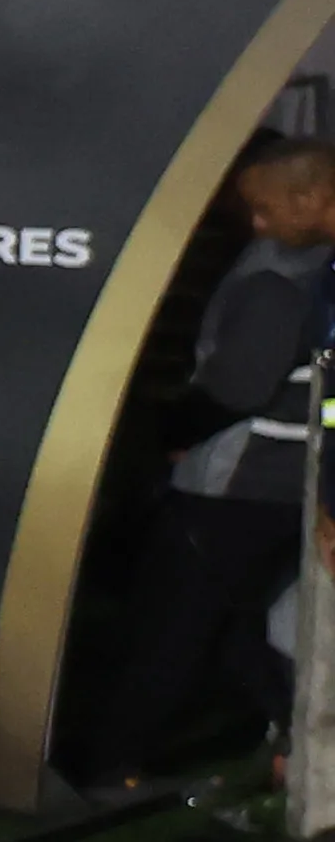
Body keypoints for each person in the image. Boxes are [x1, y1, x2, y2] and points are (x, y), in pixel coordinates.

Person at [85, 135, 335, 788]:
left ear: (310, 197)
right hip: (295, 486)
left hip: (238, 484)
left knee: (173, 624)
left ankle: (113, 766)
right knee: (244, 624)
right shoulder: (305, 269)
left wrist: (171, 430)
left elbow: (238, 388)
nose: (254, 223)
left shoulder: (281, 279)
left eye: (263, 208)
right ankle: (286, 734)